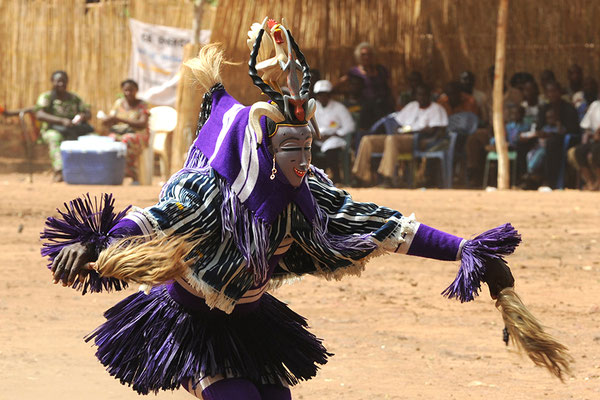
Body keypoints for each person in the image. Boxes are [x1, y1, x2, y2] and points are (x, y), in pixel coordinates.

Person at [41, 21, 519, 400]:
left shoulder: (313, 198)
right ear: (267, 150)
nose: (304, 159)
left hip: (251, 320)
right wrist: (100, 241)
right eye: (292, 146)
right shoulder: (214, 194)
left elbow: (384, 226)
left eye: (309, 146)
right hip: (193, 322)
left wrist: (469, 251)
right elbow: (156, 218)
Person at [377, 83, 448, 184]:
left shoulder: (436, 109)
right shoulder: (411, 106)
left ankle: (387, 177)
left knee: (391, 140)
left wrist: (418, 134)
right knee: (368, 140)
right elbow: (397, 123)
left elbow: (434, 130)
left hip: (415, 140)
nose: (421, 97)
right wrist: (398, 130)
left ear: (429, 96)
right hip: (399, 137)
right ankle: (360, 176)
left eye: (424, 95)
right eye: (419, 94)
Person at [34, 70, 93, 181]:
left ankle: (87, 170)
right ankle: (59, 171)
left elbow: (88, 113)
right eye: (58, 81)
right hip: (52, 129)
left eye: (63, 81)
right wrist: (61, 121)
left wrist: (82, 116)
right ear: (52, 82)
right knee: (54, 138)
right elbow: (39, 114)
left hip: (73, 129)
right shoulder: (46, 97)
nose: (61, 84)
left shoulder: (74, 98)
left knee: (92, 137)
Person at [336, 42, 395, 131]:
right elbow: (338, 84)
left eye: (369, 54)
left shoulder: (381, 69)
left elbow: (391, 86)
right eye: (363, 55)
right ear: (358, 56)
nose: (366, 57)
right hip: (365, 105)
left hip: (383, 103)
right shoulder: (354, 72)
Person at [101, 79, 150, 182]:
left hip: (138, 135)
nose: (128, 93)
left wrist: (120, 119)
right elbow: (112, 119)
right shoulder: (118, 103)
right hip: (120, 134)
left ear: (136, 90)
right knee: (110, 140)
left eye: (131, 90)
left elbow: (142, 123)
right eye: (126, 90)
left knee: (126, 140)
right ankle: (113, 173)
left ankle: (133, 174)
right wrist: (107, 120)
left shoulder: (142, 104)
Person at [311, 80, 355, 184]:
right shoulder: (313, 108)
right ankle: (316, 180)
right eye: (320, 94)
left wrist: (335, 134)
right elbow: (308, 125)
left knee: (331, 150)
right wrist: (314, 135)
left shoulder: (339, 108)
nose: (323, 97)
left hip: (335, 139)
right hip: (317, 139)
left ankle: (337, 179)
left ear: (330, 95)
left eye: (325, 94)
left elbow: (350, 126)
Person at [568, 98, 600, 190]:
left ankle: (599, 182)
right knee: (579, 152)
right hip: (595, 140)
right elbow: (586, 126)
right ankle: (590, 182)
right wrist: (593, 134)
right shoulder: (595, 105)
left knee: (596, 153)